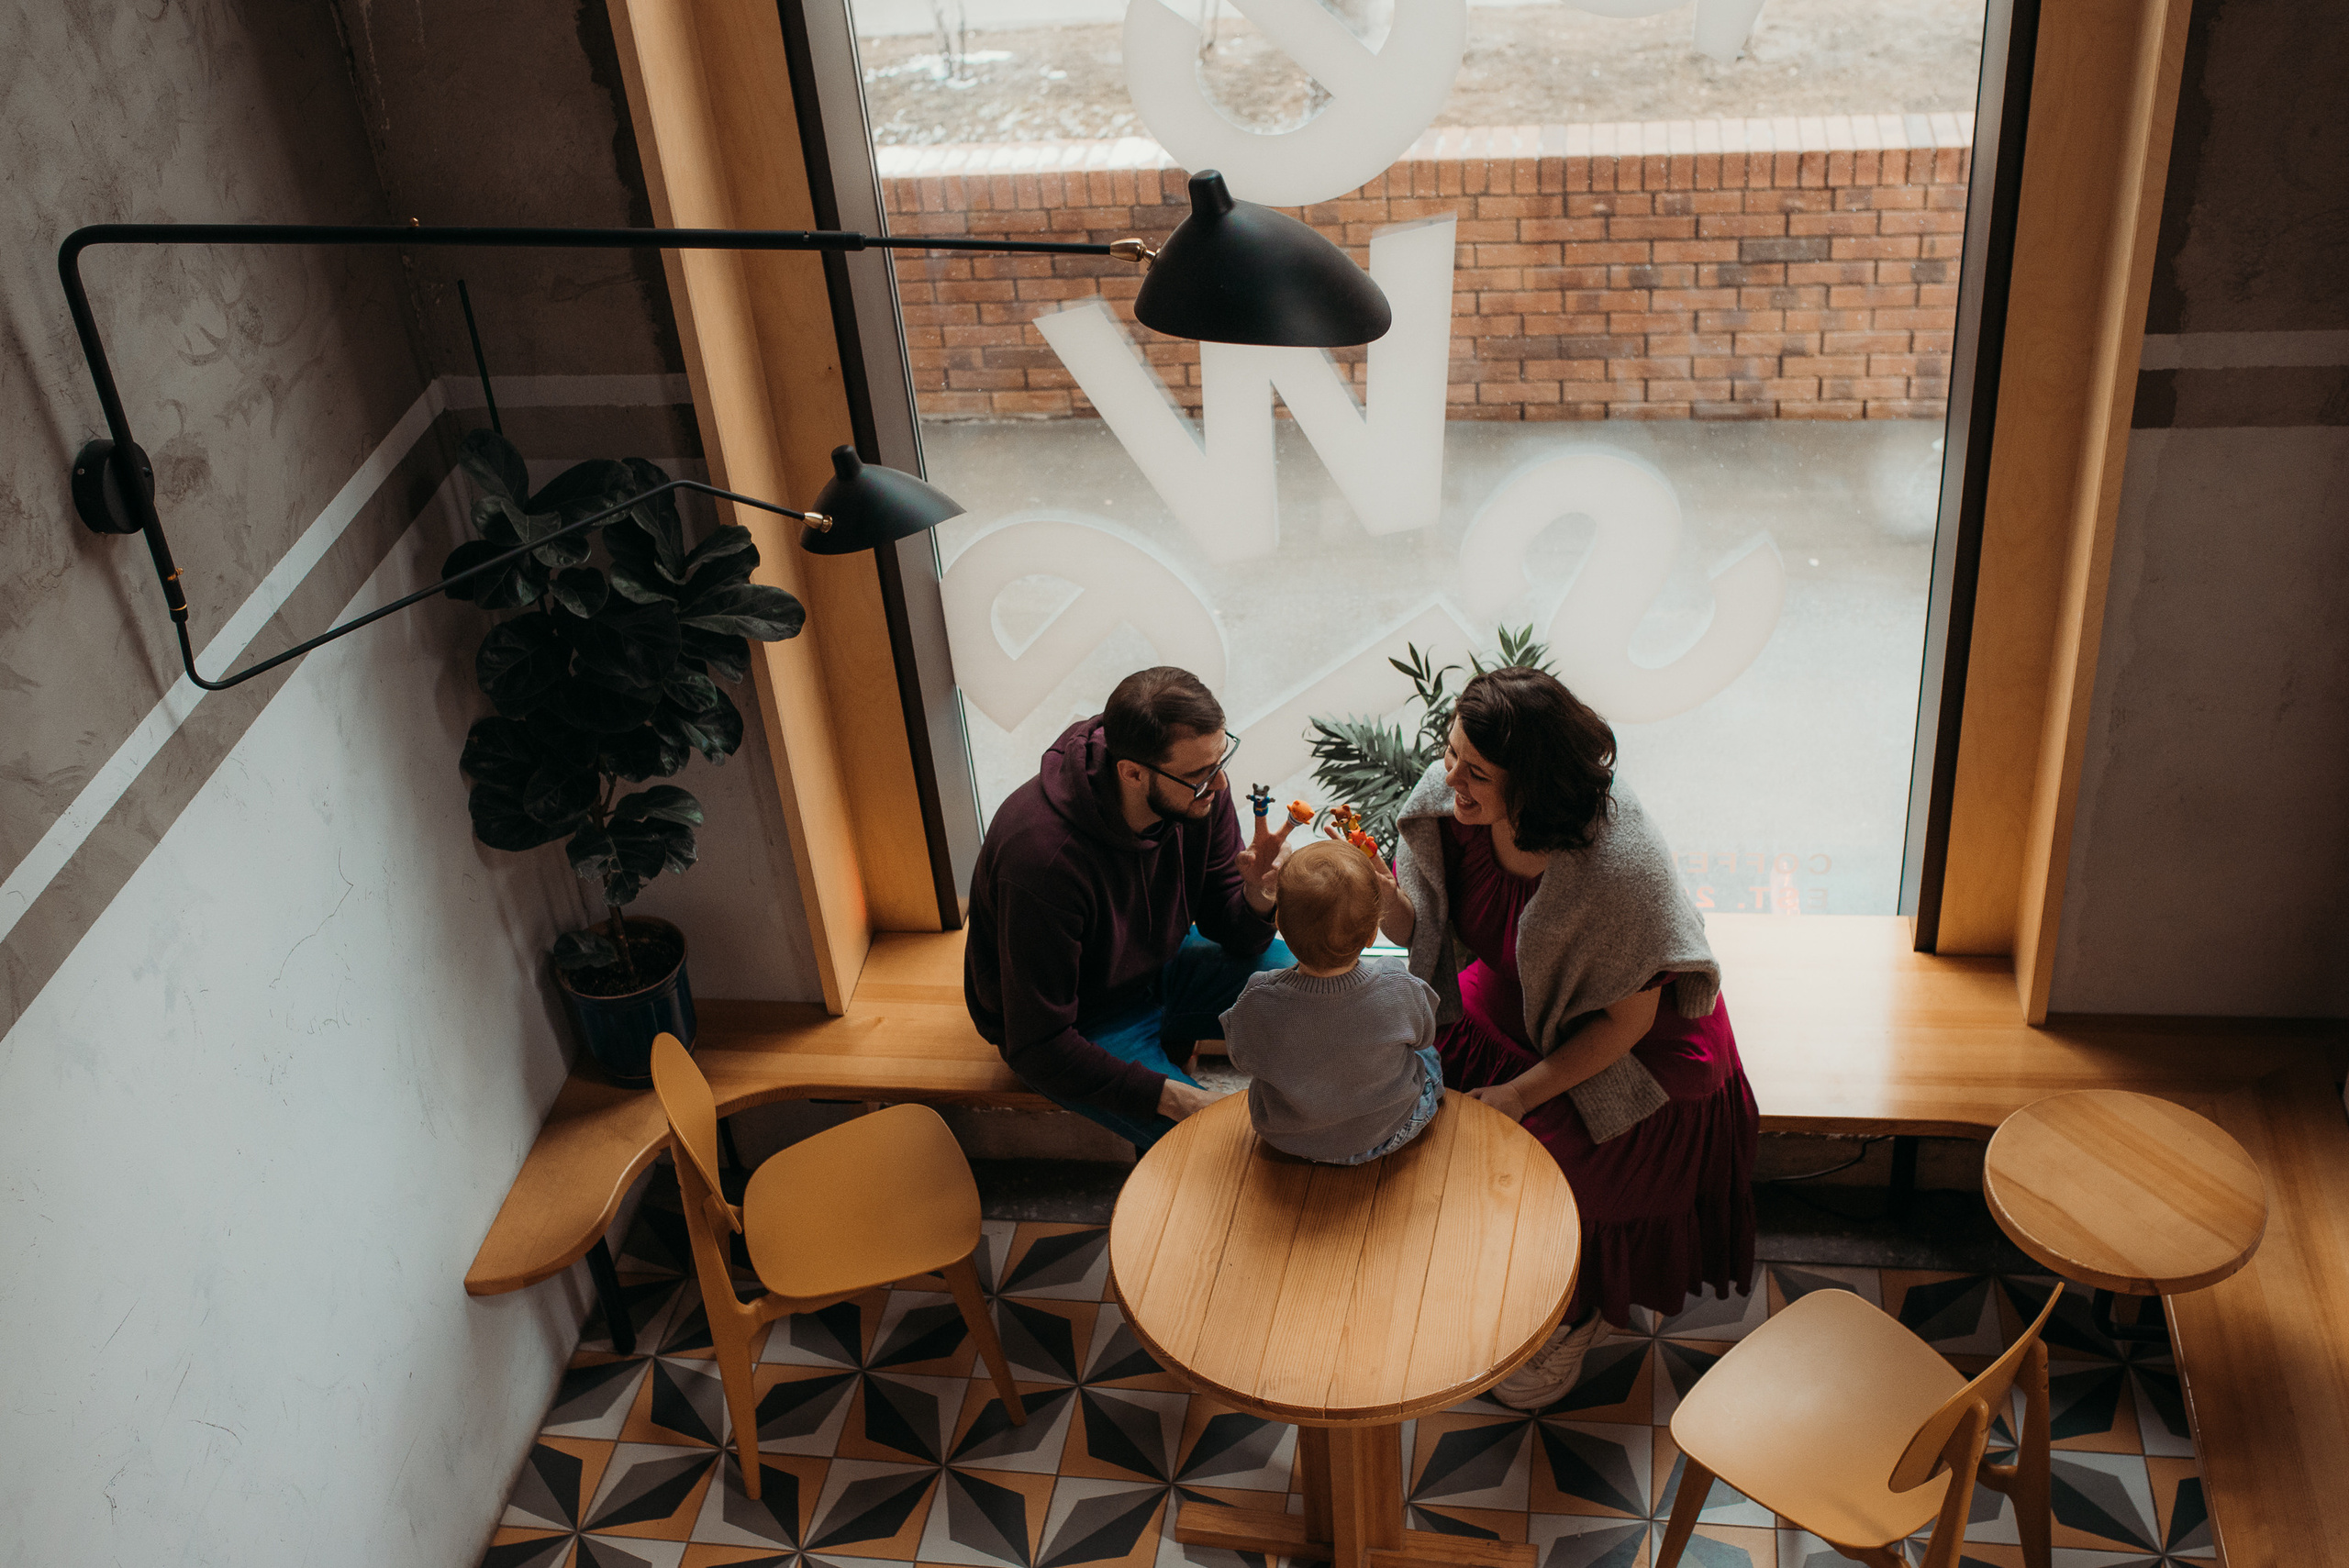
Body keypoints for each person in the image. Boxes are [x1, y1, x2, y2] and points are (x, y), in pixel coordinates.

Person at [1370, 666, 1759, 1410]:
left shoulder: (1621, 871)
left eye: (1475, 770)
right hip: (1520, 992)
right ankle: (1504, 1273)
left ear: (1534, 784)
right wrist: (1385, 901)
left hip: (1634, 1042)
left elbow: (1628, 1020)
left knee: (1551, 1168)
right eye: (1449, 751)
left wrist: (1520, 1093)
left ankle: (1569, 1312)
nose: (1448, 775)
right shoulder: (1455, 807)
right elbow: (1424, 929)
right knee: (1430, 1109)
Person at [964, 666, 1297, 1151]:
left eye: (1220, 761)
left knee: (1305, 987)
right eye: (1201, 775)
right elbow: (1037, 1045)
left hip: (1159, 964)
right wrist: (1182, 1100)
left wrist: (1258, 896)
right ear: (1133, 772)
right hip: (1077, 1021)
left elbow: (1235, 934)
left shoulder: (1196, 796)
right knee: (1216, 1145)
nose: (1222, 785)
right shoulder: (1041, 857)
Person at [1219, 840, 1443, 1164]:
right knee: (1428, 1055)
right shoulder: (1397, 984)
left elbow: (1242, 1058)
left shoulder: (1258, 996)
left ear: (1279, 924)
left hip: (1289, 1138)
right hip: (1387, 1132)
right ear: (1371, 936)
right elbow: (1425, 1035)